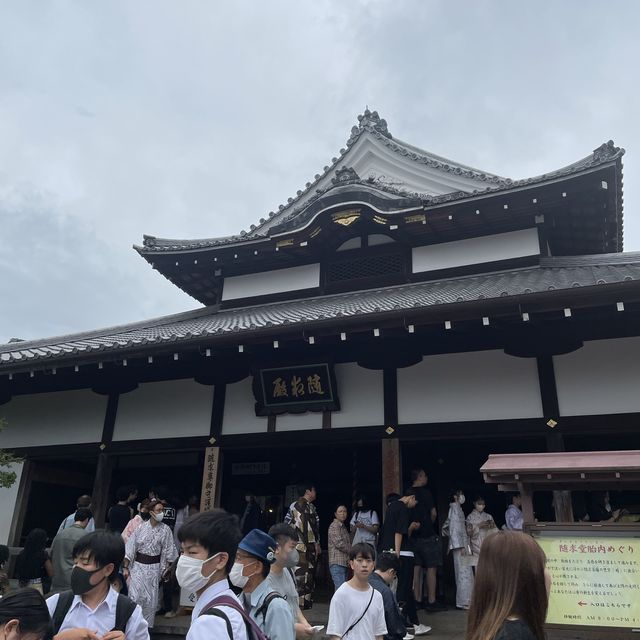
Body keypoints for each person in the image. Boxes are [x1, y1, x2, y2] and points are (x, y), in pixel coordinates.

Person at [46, 530, 148, 640]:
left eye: (85, 563)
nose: (76, 568)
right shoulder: (55, 604)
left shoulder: (130, 612)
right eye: (75, 563)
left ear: (108, 569)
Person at [176, 509, 247, 640]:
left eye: (192, 552)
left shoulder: (211, 622)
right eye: (182, 551)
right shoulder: (228, 602)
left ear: (220, 560)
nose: (183, 559)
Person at [466, 531, 551, 640]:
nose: (548, 574)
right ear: (527, 580)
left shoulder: (489, 625)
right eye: (542, 566)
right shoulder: (518, 634)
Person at [378, 491, 430, 636]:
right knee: (403, 589)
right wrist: (397, 554)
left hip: (389, 550)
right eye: (415, 502)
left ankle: (415, 623)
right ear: (411, 497)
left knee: (406, 590)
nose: (414, 505)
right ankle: (399, 628)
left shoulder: (391, 508)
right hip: (403, 553)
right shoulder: (402, 508)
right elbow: (399, 532)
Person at [231, 529, 294, 640]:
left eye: (239, 558)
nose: (234, 563)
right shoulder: (237, 601)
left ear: (257, 567)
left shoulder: (276, 607)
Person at [123, 499, 178, 628]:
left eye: (162, 511)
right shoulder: (140, 528)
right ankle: (131, 627)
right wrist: (126, 567)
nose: (161, 513)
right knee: (134, 597)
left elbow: (169, 552)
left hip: (154, 568)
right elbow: (130, 548)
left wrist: (167, 568)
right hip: (138, 567)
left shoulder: (166, 530)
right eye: (159, 510)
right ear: (151, 512)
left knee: (150, 601)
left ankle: (145, 630)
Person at [327, 542, 387, 640]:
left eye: (368, 561)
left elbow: (379, 634)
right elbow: (335, 634)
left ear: (373, 565)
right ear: (352, 564)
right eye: (359, 560)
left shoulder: (377, 596)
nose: (364, 565)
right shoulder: (341, 594)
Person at [267, 523, 315, 639]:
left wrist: (304, 623)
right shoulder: (264, 579)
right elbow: (267, 620)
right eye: (292, 547)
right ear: (277, 548)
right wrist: (294, 628)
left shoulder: (288, 571)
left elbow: (294, 604)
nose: (295, 553)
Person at [409, 468, 444, 613]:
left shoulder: (407, 493)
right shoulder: (426, 493)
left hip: (413, 536)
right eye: (424, 475)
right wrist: (428, 525)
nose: (426, 478)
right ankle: (431, 601)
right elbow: (434, 513)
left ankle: (417, 600)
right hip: (427, 536)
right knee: (431, 567)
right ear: (419, 477)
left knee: (416, 568)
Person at [370, 552, 425, 640]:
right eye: (394, 576)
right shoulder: (385, 591)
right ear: (391, 571)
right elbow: (394, 624)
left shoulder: (362, 582)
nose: (393, 579)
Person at [285, 483, 320, 610]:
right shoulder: (308, 508)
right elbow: (312, 530)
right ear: (308, 491)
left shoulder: (293, 506)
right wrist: (316, 544)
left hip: (295, 547)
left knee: (298, 575)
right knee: (305, 576)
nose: (315, 492)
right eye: (314, 489)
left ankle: (297, 605)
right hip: (306, 548)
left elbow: (286, 525)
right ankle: (301, 606)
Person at [50, 508, 92, 593]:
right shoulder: (86, 537)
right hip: (74, 581)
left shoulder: (59, 535)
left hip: (57, 579)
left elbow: (51, 553)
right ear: (87, 520)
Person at [446, 489, 473, 610]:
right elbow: (454, 529)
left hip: (464, 544)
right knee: (462, 573)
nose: (462, 497)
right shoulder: (454, 509)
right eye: (460, 495)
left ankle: (468, 599)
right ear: (455, 497)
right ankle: (463, 601)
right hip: (460, 546)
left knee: (466, 572)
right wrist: (460, 545)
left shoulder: (458, 509)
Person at [15, 529, 54, 594]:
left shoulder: (21, 554)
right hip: (37, 585)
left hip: (23, 584)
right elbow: (51, 573)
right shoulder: (43, 555)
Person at [465, 497, 498, 568]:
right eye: (479, 503)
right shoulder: (470, 517)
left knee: (490, 566)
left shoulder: (488, 516)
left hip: (488, 543)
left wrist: (491, 526)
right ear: (474, 503)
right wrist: (478, 526)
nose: (481, 506)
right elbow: (468, 533)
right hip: (476, 544)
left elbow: (495, 530)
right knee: (479, 567)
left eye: (483, 504)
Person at [328, 505, 351, 591]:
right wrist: (352, 551)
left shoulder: (342, 526)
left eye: (344, 511)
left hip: (343, 562)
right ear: (335, 514)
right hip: (337, 562)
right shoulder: (334, 526)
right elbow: (339, 543)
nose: (343, 514)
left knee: (343, 590)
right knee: (340, 590)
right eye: (340, 512)